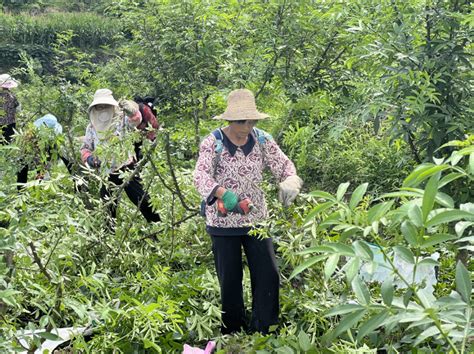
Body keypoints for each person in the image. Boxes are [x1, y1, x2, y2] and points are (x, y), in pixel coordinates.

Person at [193, 89, 303, 335]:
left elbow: (283, 165)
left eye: (251, 121)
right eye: (242, 121)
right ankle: (233, 329)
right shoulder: (214, 142)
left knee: (268, 274)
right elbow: (200, 175)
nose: (247, 126)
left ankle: (265, 327)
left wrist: (290, 180)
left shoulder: (262, 140)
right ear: (230, 120)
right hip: (222, 223)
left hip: (256, 220)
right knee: (230, 279)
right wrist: (221, 192)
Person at [80, 89, 160, 226]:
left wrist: (131, 111)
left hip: (126, 169)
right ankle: (108, 236)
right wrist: (89, 159)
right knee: (108, 209)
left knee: (143, 200)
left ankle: (158, 227)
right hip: (105, 174)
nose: (103, 109)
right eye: (100, 106)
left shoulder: (121, 121)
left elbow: (136, 120)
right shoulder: (91, 128)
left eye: (106, 106)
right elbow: (85, 148)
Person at [0, 74, 29, 189]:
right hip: (11, 125)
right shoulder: (13, 97)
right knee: (8, 144)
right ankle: (7, 163)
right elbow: (19, 109)